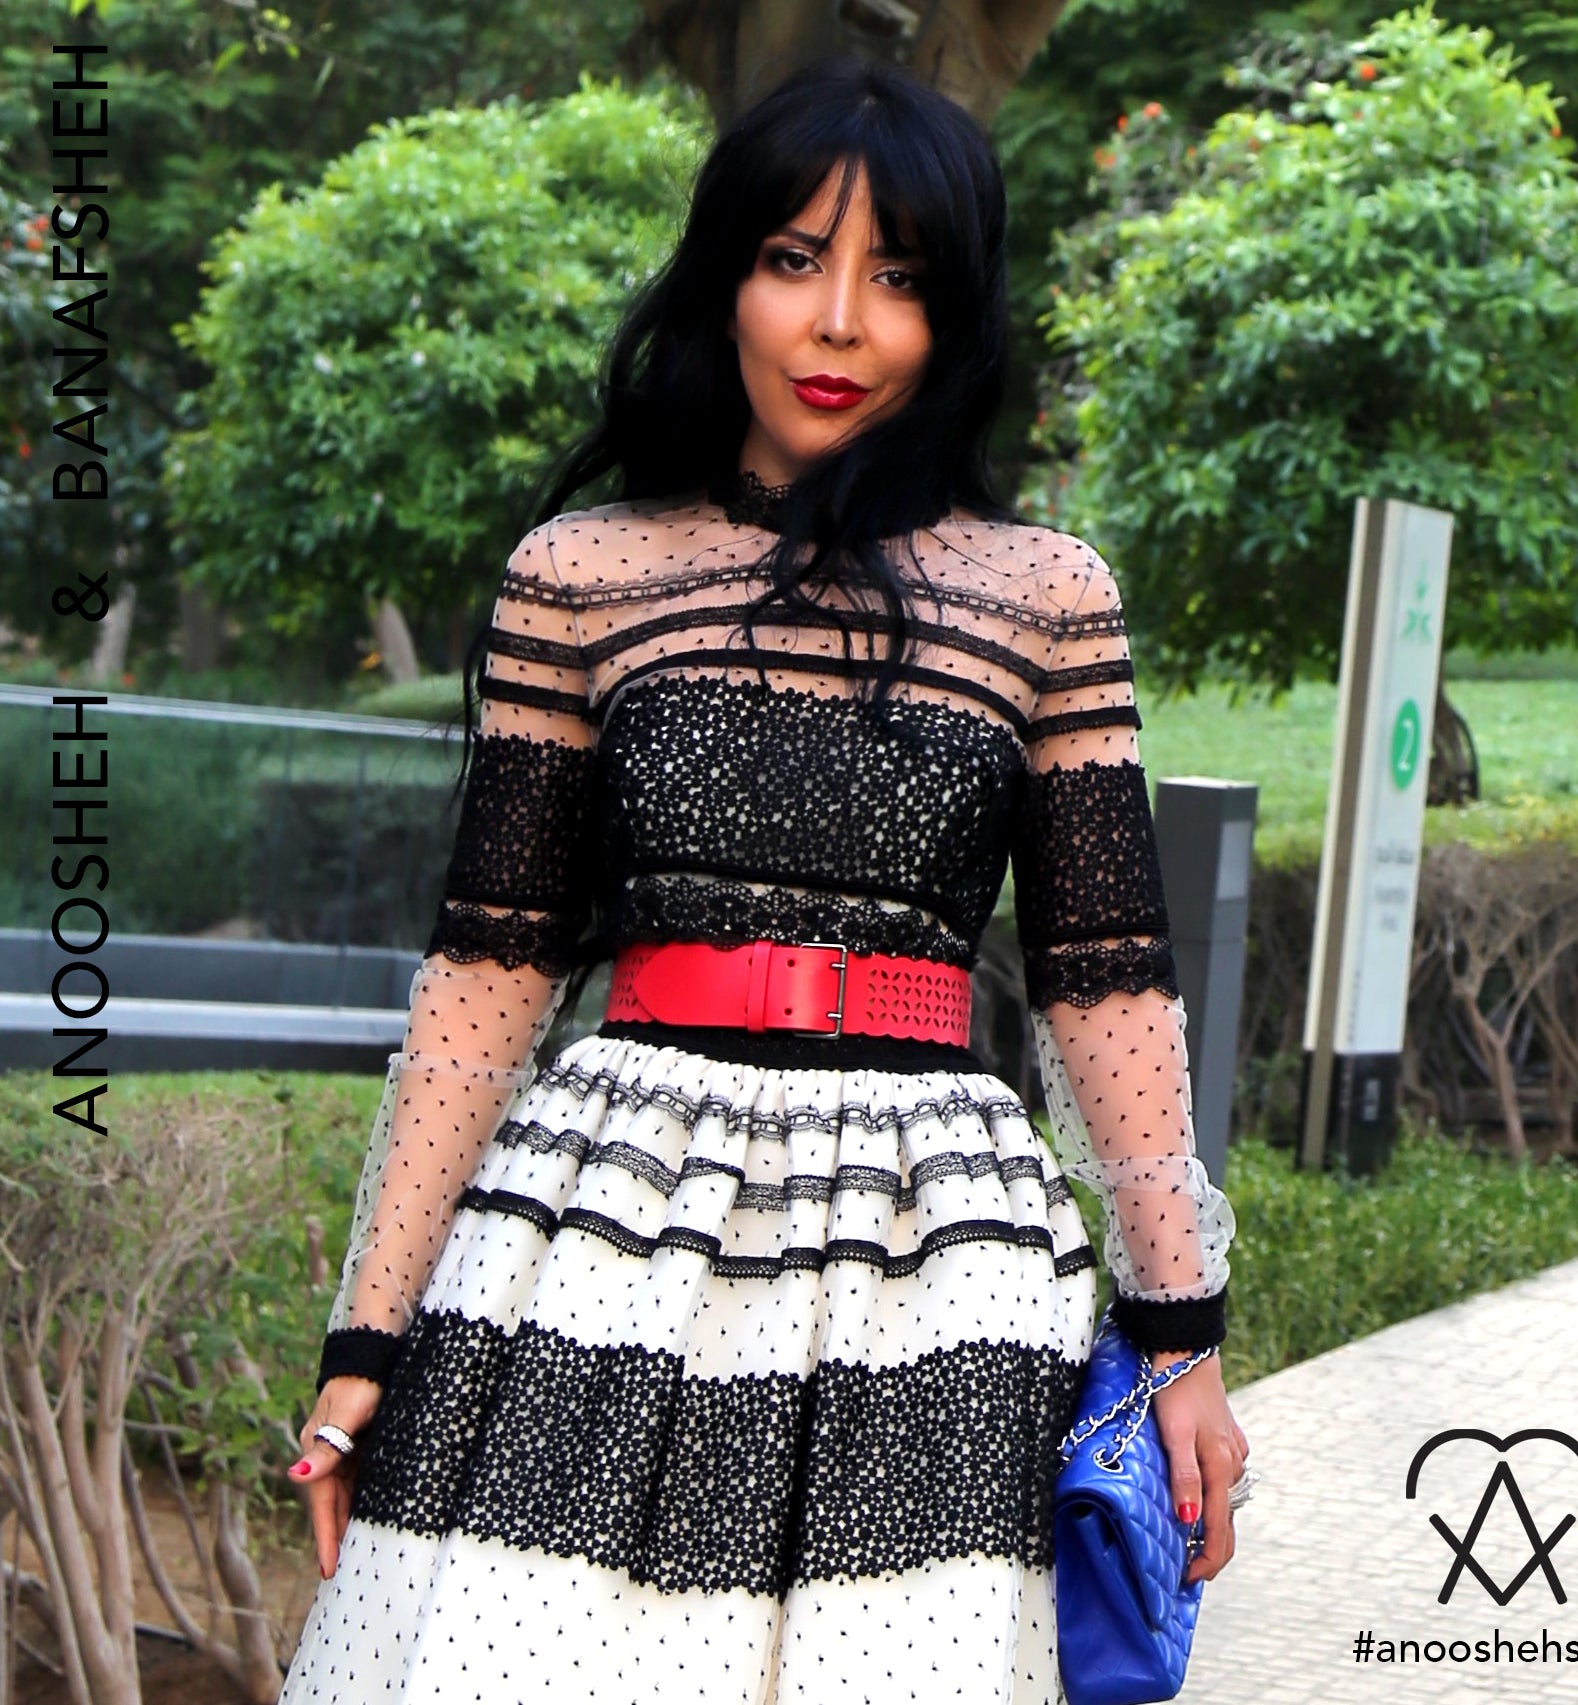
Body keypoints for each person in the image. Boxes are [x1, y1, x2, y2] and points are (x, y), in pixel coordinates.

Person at [280, 54, 1249, 1705]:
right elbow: (485, 975)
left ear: (958, 321)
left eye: (899, 281)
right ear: (724, 270)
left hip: (928, 1241)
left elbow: (1104, 973)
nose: (837, 325)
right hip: (605, 1219)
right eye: (795, 258)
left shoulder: (1042, 593)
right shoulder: (578, 576)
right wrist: (365, 1339)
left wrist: (1182, 1336)